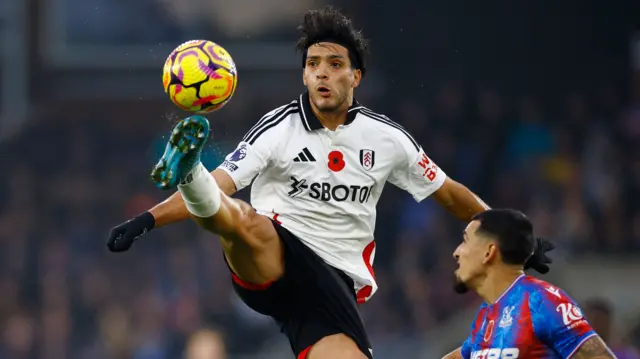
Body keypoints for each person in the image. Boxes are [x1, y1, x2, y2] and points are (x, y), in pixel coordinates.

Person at [106, 7, 553, 359]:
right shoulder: (277, 129)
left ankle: (191, 175)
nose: (322, 72)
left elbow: (450, 193)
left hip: (332, 290)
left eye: (334, 63)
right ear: (303, 74)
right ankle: (189, 172)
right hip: (274, 255)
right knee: (243, 220)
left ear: (355, 77)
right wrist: (147, 219)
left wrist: (515, 240)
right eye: (313, 63)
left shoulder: (387, 138)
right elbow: (226, 183)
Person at [442, 209, 614, 359]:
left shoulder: (542, 301)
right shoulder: (486, 314)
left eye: (465, 241)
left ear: (489, 252)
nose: (456, 252)